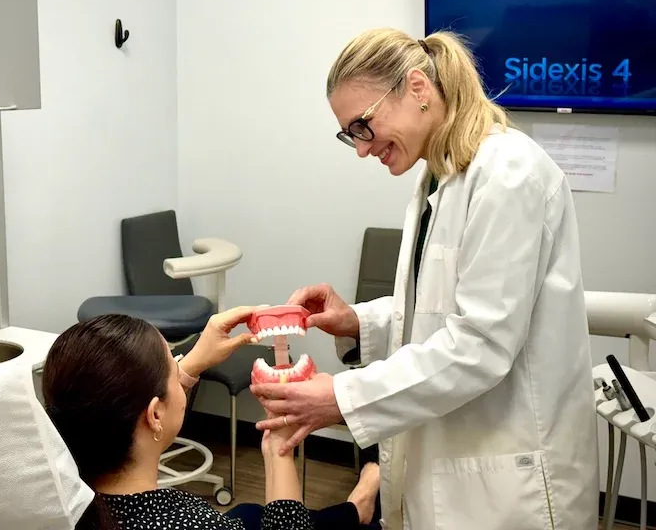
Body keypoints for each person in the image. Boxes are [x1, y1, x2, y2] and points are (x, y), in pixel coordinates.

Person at [250, 28, 599, 529]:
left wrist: (343, 398)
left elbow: (479, 343)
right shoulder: (438, 173)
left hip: (512, 473)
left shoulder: (508, 174)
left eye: (362, 127)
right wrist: (355, 321)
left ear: (417, 89)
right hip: (454, 460)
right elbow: (437, 306)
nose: (361, 150)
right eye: (349, 134)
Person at [41, 309, 381, 530]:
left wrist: (190, 365)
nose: (184, 372)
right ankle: (360, 504)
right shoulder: (194, 521)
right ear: (154, 414)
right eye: (175, 368)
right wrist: (280, 444)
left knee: (248, 514)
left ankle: (355, 508)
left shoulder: (56, 499)